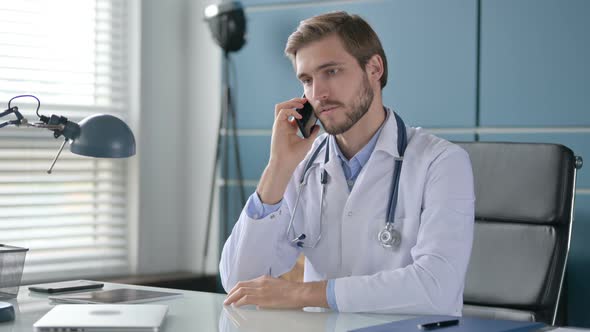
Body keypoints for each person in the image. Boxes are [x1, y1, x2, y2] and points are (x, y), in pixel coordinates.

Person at [220, 11, 475, 315]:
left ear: (374, 69)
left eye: (332, 71)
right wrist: (277, 167)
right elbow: (239, 282)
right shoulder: (302, 166)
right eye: (307, 80)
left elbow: (436, 287)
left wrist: (303, 293)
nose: (318, 93)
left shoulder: (440, 162)